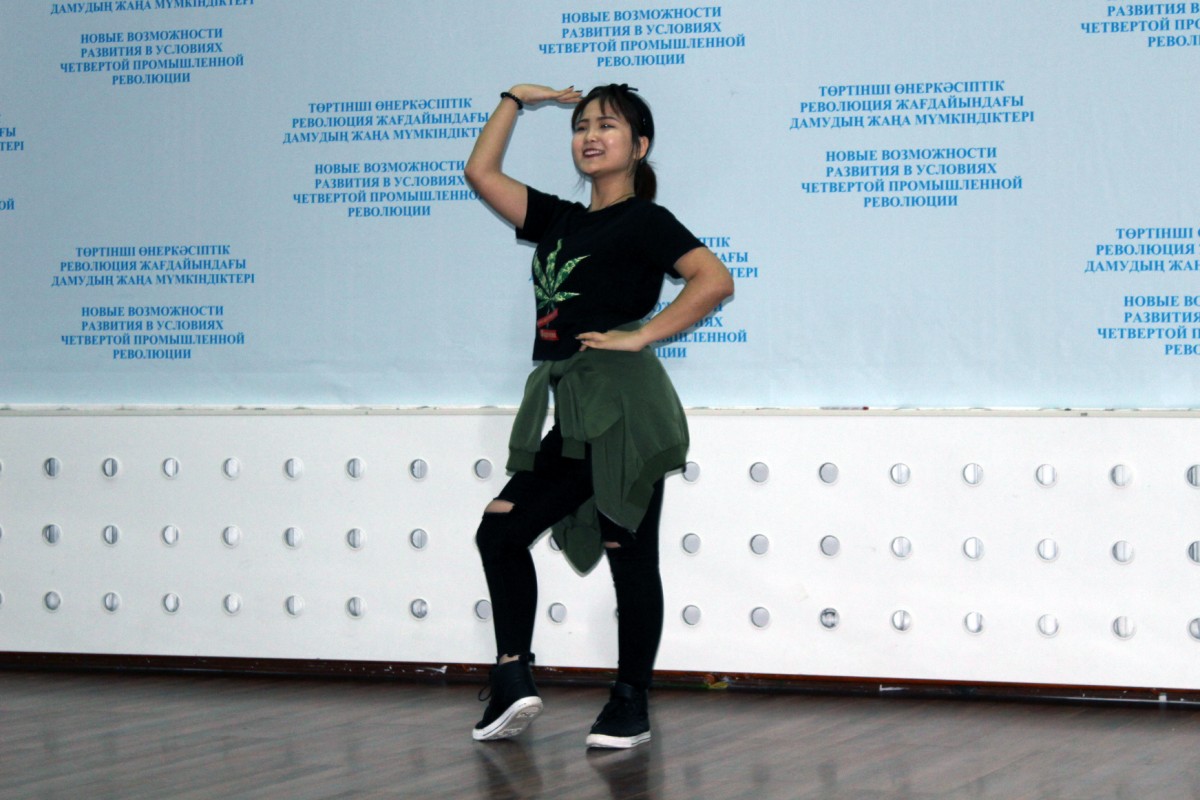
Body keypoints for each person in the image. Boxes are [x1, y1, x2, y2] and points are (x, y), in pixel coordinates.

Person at [463, 82, 733, 749]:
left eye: (607, 126)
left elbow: (714, 279)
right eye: (582, 125)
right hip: (577, 408)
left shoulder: (645, 220)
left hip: (625, 407)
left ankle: (628, 701)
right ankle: (513, 676)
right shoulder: (559, 220)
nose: (590, 135)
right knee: (502, 531)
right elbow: (481, 173)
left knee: (627, 553)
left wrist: (641, 335)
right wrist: (514, 100)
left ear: (639, 146)